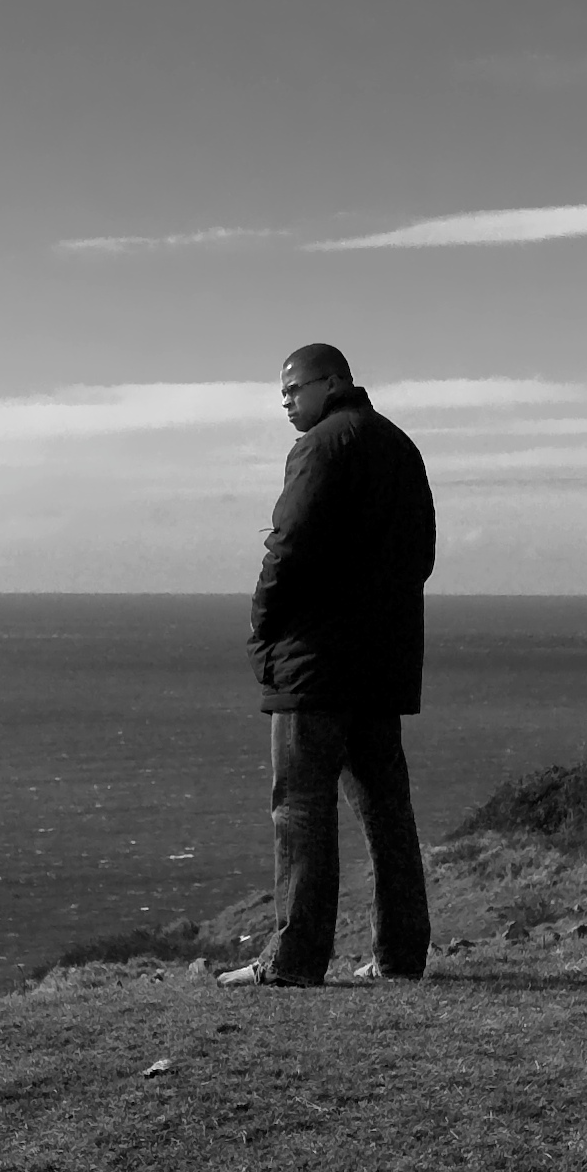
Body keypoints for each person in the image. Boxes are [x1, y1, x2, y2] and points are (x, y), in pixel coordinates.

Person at [220, 342, 436, 988]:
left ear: (331, 382)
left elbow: (289, 547)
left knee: (299, 809)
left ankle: (292, 962)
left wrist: (262, 623)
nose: (284, 402)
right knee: (385, 810)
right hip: (381, 659)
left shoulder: (320, 446)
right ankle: (400, 957)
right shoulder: (398, 445)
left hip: (316, 661)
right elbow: (419, 555)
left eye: (292, 389)